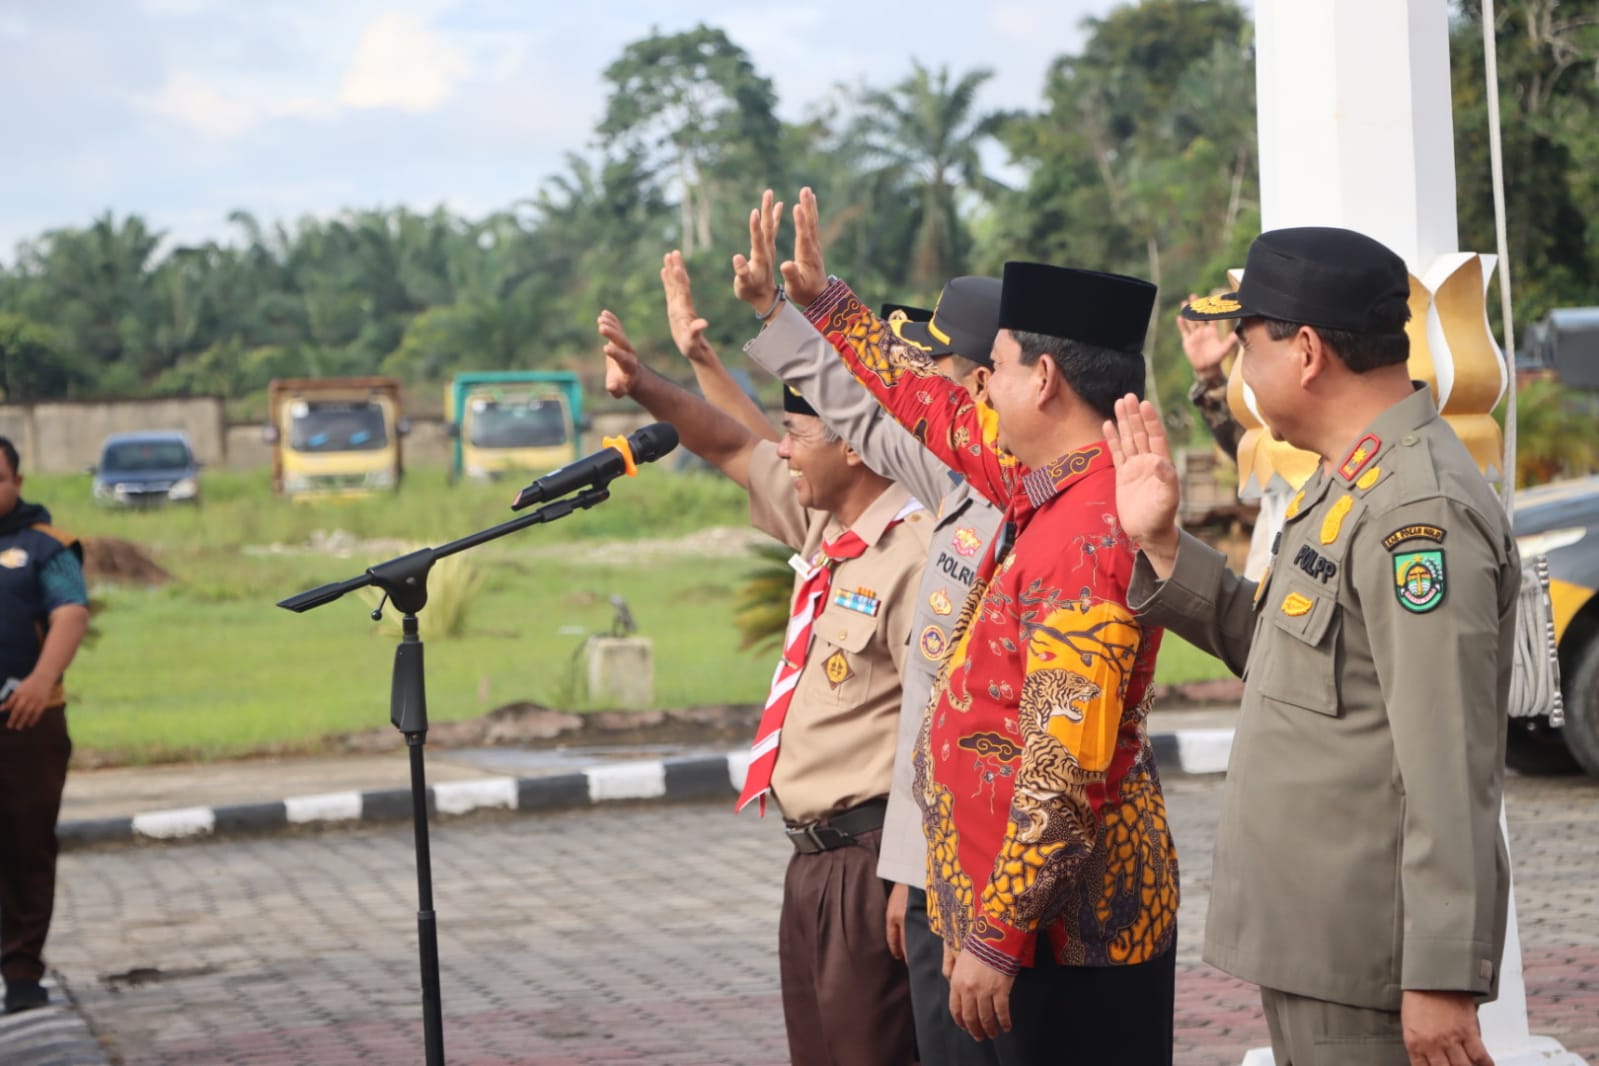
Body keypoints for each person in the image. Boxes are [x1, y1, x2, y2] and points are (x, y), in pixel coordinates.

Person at [777, 187, 1180, 1063]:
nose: (980, 387)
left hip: (1061, 937)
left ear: (1044, 378)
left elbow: (1061, 768)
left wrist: (995, 939)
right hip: (1019, 917)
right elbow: (928, 404)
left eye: (993, 366)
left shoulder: (1089, 533)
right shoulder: (1046, 484)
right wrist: (827, 306)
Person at [1107, 226, 1513, 1066]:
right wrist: (1162, 545)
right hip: (1318, 945)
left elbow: (1448, 759)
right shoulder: (1348, 476)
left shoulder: (1415, 514)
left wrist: (1440, 974)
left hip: (1369, 967)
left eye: (1247, 344)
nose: (1241, 372)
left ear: (1304, 352)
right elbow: (1281, 650)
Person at [597, 278, 933, 1066]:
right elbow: (726, 444)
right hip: (811, 861)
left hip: (871, 860)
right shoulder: (828, 522)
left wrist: (913, 876)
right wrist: (646, 383)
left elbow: (937, 724)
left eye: (795, 432)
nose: (780, 448)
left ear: (855, 443)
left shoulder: (916, 552)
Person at [729, 190, 1006, 1063]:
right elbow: (856, 411)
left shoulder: (1036, 502)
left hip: (1004, 876)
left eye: (936, 367)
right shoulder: (957, 486)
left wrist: (910, 873)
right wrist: (791, 312)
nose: (914, 385)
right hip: (934, 866)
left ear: (987, 381)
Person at [0, 435, 90, 1015]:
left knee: (25, 846)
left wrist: (39, 681)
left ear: (17, 482)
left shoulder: (46, 548)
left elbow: (70, 612)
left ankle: (21, 972)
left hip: (24, 722)